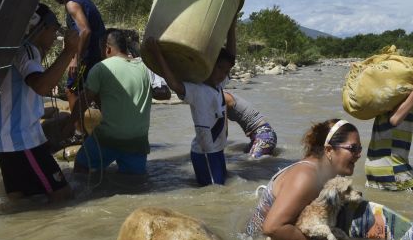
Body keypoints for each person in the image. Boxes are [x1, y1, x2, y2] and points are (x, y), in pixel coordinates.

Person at [0, 3, 79, 202]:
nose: (55, 37)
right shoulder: (27, 50)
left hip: (2, 138)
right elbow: (41, 86)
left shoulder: (15, 48)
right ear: (40, 28)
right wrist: (69, 51)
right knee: (63, 196)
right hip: (20, 139)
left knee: (21, 201)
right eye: (54, 30)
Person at [142, 22, 236, 186]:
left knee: (220, 188)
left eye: (226, 71)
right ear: (209, 64)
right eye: (219, 68)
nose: (223, 74)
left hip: (217, 149)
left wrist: (231, 26)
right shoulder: (197, 90)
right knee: (215, 191)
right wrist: (158, 55)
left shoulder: (218, 85)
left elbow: (231, 55)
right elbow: (174, 85)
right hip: (205, 153)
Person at [245, 119, 362, 240]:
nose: (359, 154)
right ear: (328, 150)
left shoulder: (325, 174)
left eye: (360, 148)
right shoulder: (305, 177)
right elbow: (273, 228)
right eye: (353, 148)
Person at [66, 29, 165, 175]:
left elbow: (83, 101)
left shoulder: (101, 68)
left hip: (108, 138)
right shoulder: (145, 67)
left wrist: (69, 125)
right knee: (134, 182)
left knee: (81, 167)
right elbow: (163, 94)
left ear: (107, 48)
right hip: (138, 141)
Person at [46, 0, 106, 114]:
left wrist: (76, 59)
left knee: (71, 90)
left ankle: (78, 131)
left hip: (86, 59)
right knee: (95, 91)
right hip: (98, 55)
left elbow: (85, 31)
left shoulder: (72, 4)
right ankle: (110, 124)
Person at [364, 73, 413, 191]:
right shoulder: (401, 101)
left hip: (373, 168)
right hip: (391, 170)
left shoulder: (385, 102)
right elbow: (394, 120)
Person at [224, 91, 277, 158]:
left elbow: (224, 128)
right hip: (264, 134)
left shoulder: (223, 98)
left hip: (264, 135)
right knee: (244, 158)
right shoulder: (221, 94)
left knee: (251, 161)